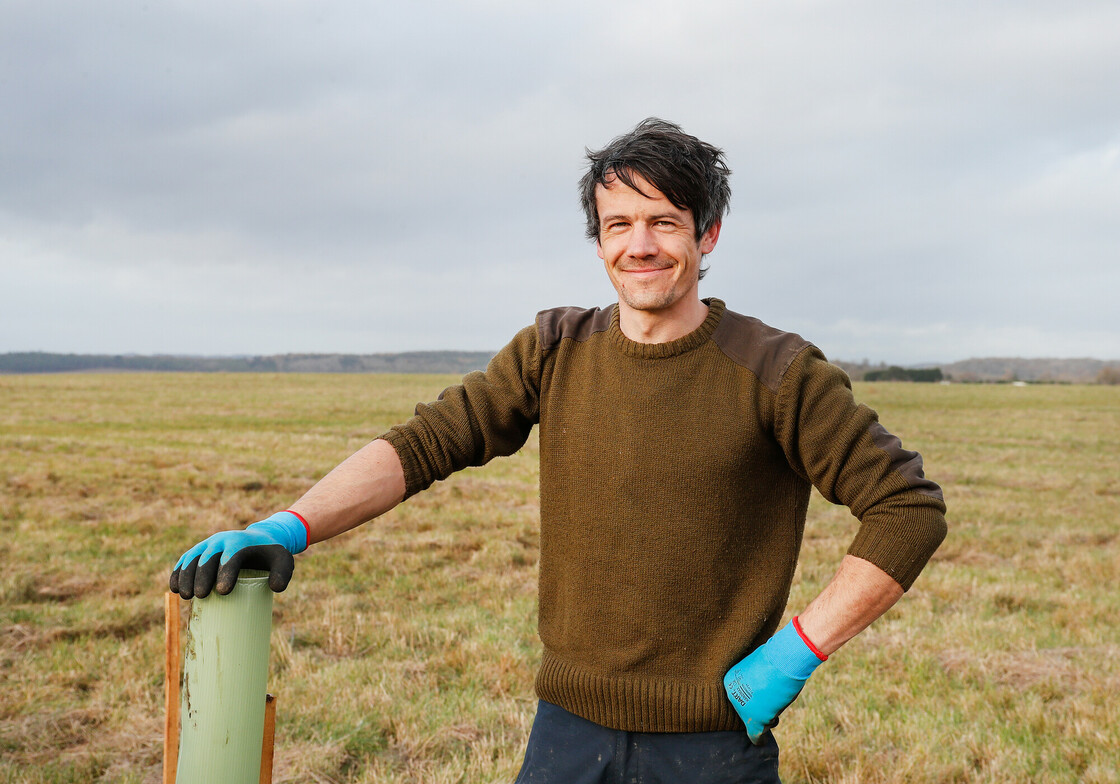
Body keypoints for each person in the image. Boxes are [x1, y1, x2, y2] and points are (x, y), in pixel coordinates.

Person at [170, 118, 947, 783]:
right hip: (566, 737)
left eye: (664, 222)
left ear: (707, 234)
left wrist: (796, 652)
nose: (640, 245)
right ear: (598, 240)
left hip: (713, 745)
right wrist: (289, 526)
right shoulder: (554, 349)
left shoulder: (775, 371)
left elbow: (906, 508)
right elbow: (427, 442)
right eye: (619, 225)